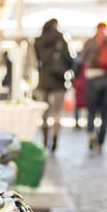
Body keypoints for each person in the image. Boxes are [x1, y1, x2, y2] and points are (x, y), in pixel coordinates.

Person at [79, 22, 107, 153]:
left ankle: (91, 133)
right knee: (104, 112)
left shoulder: (90, 42)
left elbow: (82, 59)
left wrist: (94, 62)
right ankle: (101, 141)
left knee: (92, 110)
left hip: (93, 79)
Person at [33, 18, 74, 152]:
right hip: (58, 82)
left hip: (43, 81)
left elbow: (35, 62)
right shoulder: (61, 38)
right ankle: (55, 140)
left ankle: (45, 140)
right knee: (57, 113)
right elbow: (69, 59)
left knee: (44, 113)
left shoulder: (38, 40)